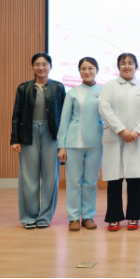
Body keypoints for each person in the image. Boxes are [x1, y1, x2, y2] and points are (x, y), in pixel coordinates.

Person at [99, 54, 140, 229]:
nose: (127, 66)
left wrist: (137, 131)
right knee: (114, 179)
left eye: (130, 63)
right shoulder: (109, 86)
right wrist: (121, 130)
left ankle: (134, 215)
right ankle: (114, 216)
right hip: (115, 136)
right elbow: (104, 109)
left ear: (136, 67)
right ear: (118, 67)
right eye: (123, 63)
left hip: (135, 138)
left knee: (134, 178)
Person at [11, 53, 66, 230]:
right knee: (29, 177)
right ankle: (29, 216)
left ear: (50, 66)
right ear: (32, 67)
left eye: (44, 64)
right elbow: (16, 115)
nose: (41, 67)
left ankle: (44, 217)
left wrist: (64, 142)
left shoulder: (58, 87)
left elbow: (64, 117)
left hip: (52, 134)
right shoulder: (24, 88)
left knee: (51, 177)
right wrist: (15, 139)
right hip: (29, 133)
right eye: (37, 64)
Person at [57, 58, 103, 231]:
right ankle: (74, 217)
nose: (87, 71)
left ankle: (88, 216)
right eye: (83, 68)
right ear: (79, 71)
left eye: (90, 68)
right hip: (73, 142)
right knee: (73, 182)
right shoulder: (72, 93)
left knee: (90, 182)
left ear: (97, 70)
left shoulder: (104, 91)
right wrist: (61, 145)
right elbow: (64, 120)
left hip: (96, 142)